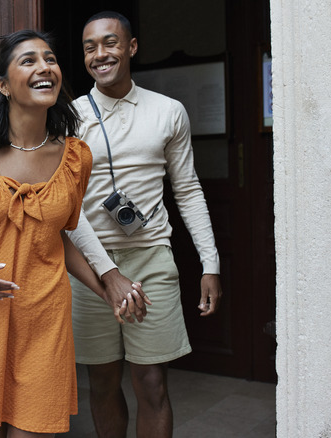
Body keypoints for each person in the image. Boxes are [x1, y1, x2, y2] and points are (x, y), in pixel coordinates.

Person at [0, 29, 104, 437]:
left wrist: (107, 287)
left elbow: (57, 237)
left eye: (50, 58)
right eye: (28, 61)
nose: (44, 67)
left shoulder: (76, 158)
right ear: (3, 85)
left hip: (45, 320)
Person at [66, 11, 224, 438]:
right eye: (90, 47)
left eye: (111, 43)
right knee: (101, 383)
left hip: (152, 256)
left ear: (131, 47)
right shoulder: (67, 117)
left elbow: (188, 190)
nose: (101, 54)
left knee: (151, 383)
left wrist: (211, 263)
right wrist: (105, 272)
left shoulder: (168, 111)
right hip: (89, 267)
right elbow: (67, 205)